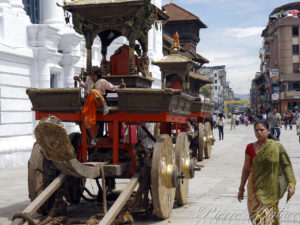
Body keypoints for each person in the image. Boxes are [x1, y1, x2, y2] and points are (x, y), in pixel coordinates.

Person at [238, 120, 296, 224]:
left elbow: (286, 165)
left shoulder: (276, 147)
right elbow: (246, 169)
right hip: (255, 189)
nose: (259, 132)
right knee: (259, 219)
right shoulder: (250, 147)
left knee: (268, 219)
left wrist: (291, 183)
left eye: (262, 130)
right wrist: (241, 188)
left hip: (271, 189)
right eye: (256, 130)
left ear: (268, 131)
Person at [74, 66, 126, 146]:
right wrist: (79, 80)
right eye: (90, 75)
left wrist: (120, 86)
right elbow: (85, 86)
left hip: (100, 102)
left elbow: (112, 88)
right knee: (86, 119)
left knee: (94, 91)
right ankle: (93, 138)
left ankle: (104, 105)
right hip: (90, 103)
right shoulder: (88, 79)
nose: (91, 76)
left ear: (97, 74)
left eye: (92, 75)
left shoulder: (103, 81)